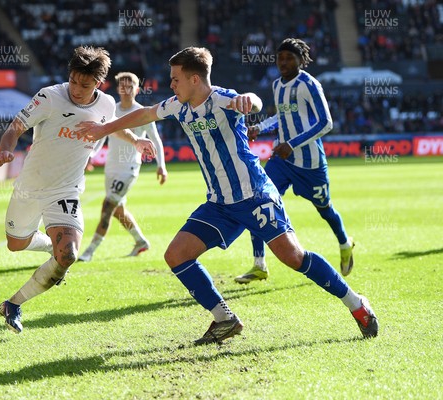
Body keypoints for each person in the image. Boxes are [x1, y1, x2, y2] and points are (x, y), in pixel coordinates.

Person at [76, 46, 378, 344]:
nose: (170, 85)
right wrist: (104, 129)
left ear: (195, 80)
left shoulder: (221, 98)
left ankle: (356, 304)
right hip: (220, 204)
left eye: (175, 79)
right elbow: (144, 114)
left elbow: (252, 102)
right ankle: (225, 319)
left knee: (293, 257)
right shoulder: (177, 106)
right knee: (176, 255)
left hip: (255, 195)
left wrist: (250, 100)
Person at [0, 46, 156, 334]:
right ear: (69, 74)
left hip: (66, 190)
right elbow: (15, 128)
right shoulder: (49, 97)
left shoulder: (106, 104)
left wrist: (136, 142)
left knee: (68, 255)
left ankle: (14, 304)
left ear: (98, 83)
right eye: (74, 80)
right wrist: (6, 150)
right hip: (31, 187)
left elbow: (113, 127)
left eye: (85, 84)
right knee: (15, 244)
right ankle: (47, 246)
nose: (78, 89)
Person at [235, 38, 355, 284]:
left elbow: (326, 123)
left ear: (301, 60)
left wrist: (292, 143)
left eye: (290, 58)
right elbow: (282, 116)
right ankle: (259, 264)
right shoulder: (277, 85)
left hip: (309, 163)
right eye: (281, 58)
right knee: (258, 201)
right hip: (282, 160)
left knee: (325, 209)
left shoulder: (309, 84)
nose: (284, 62)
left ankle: (345, 243)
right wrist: (259, 126)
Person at [78, 72, 168, 262]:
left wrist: (162, 166)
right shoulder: (112, 111)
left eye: (130, 87)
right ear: (118, 89)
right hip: (111, 167)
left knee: (107, 205)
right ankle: (141, 241)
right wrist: (91, 155)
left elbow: (156, 140)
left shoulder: (143, 112)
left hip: (129, 168)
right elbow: (101, 135)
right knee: (118, 210)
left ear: (136, 89)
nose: (125, 90)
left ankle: (90, 250)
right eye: (122, 86)